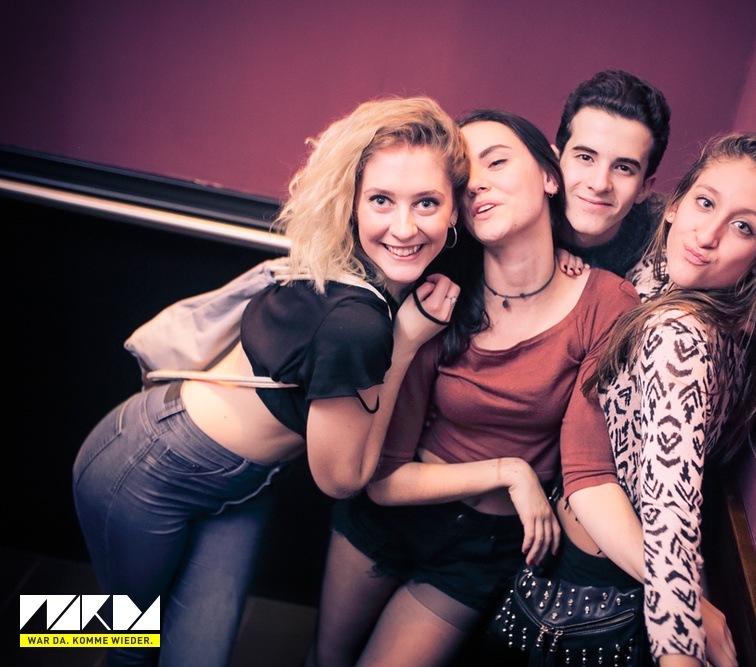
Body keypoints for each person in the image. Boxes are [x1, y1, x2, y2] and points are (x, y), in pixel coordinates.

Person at [71, 96, 469, 667]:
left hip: (240, 484)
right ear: (352, 203)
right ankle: (26, 627)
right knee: (125, 637)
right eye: (381, 200)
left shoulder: (359, 266)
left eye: (426, 202)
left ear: (454, 210)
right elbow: (341, 479)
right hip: (151, 464)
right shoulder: (357, 322)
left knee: (194, 656)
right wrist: (406, 342)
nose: (404, 227)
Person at [310, 109, 640, 667]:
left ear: (550, 175)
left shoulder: (607, 302)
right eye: (463, 179)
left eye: (497, 162)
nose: (478, 184)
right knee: (325, 660)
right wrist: (509, 471)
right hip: (391, 517)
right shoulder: (439, 295)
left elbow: (588, 467)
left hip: (482, 549)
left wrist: (676, 596)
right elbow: (382, 479)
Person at [559, 132, 756, 665]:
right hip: (576, 568)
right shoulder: (667, 277)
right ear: (675, 205)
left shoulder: (681, 335)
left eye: (743, 227)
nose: (708, 234)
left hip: (593, 597)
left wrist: (683, 631)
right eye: (705, 203)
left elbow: (671, 507)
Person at [554, 69, 671, 278]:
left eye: (623, 168)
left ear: (644, 188)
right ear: (554, 162)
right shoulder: (516, 210)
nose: (599, 185)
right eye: (585, 157)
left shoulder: (671, 237)